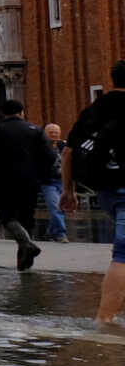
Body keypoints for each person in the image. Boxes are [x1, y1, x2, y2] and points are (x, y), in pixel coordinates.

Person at [60, 63, 125, 325]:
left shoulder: (93, 111)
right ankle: (104, 320)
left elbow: (68, 152)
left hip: (106, 190)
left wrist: (68, 190)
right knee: (123, 255)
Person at [0, 97, 54, 270]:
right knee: (26, 218)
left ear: (3, 114)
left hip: (6, 180)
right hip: (30, 181)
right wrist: (38, 173)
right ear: (22, 112)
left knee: (6, 216)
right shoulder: (35, 130)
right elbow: (50, 156)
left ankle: (27, 246)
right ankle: (25, 263)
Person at [40, 123, 69, 240]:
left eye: (56, 132)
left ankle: (50, 232)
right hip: (48, 182)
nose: (54, 134)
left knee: (62, 207)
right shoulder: (40, 147)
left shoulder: (64, 146)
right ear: (45, 134)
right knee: (55, 206)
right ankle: (60, 233)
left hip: (62, 180)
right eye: (51, 132)